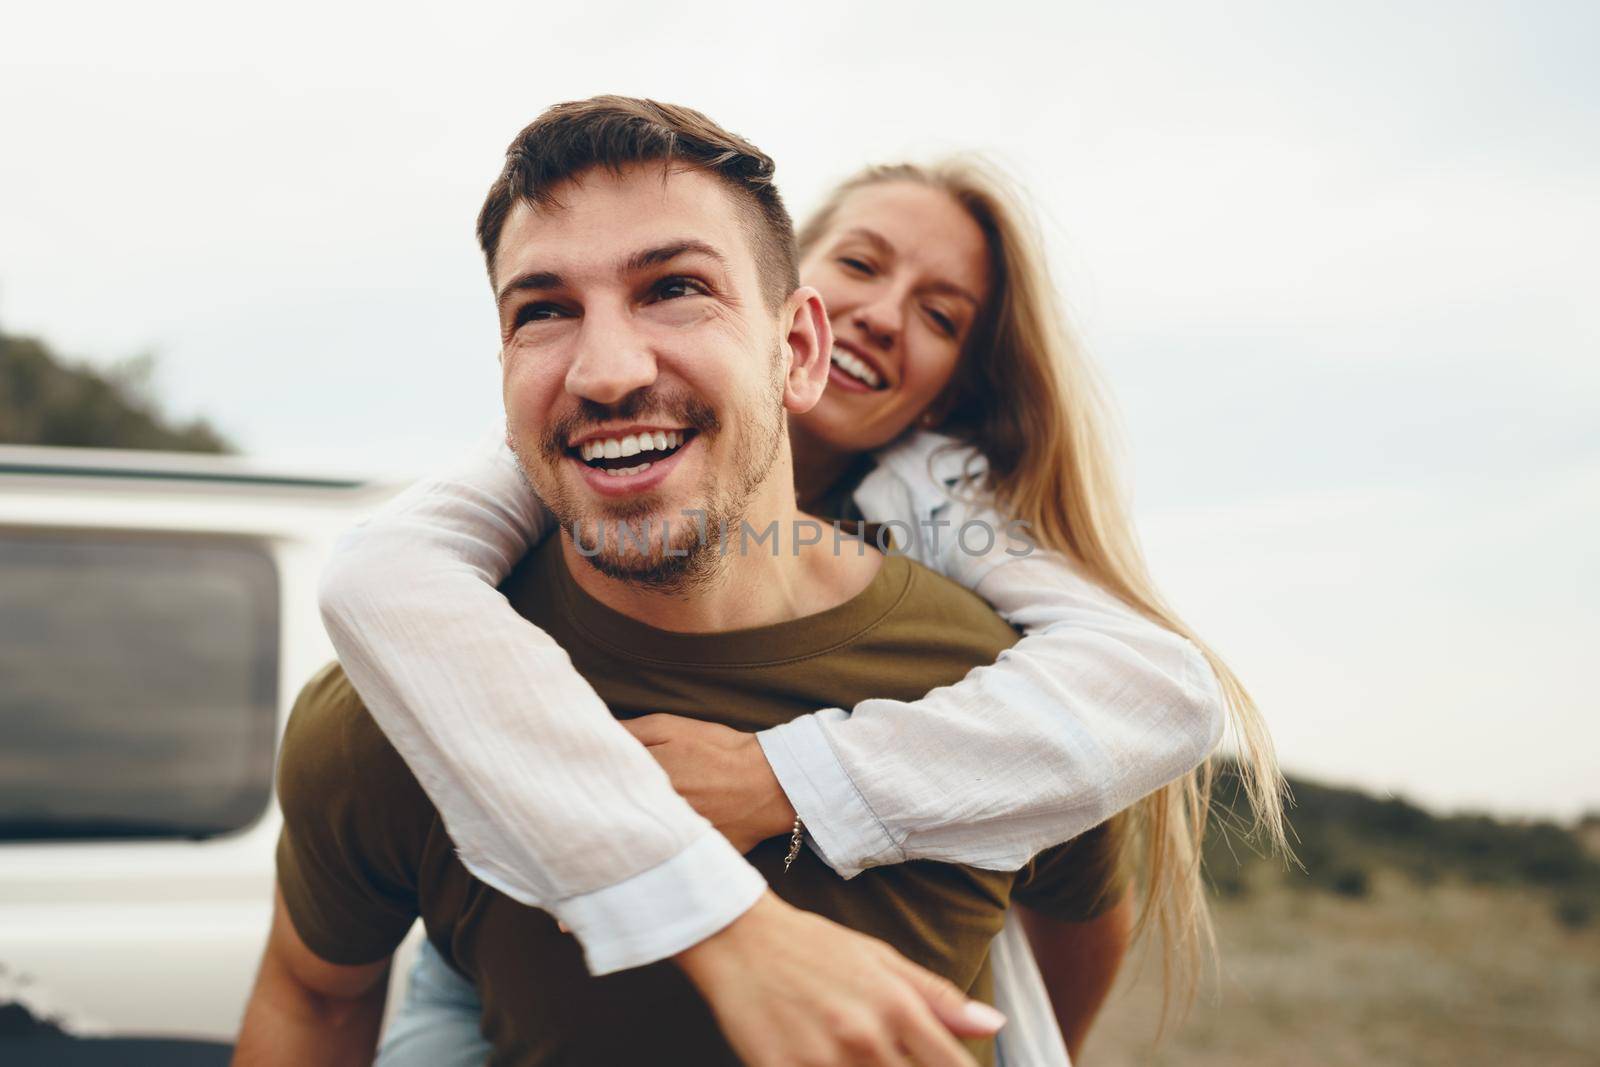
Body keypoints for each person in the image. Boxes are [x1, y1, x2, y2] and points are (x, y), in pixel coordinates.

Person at [315, 96, 1289, 1061]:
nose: (882, 312)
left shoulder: (944, 519)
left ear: (806, 339)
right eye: (862, 263)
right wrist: (705, 909)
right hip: (497, 898)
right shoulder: (585, 422)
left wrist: (784, 775)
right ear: (796, 295)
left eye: (940, 315)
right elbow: (381, 571)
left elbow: (1161, 690)